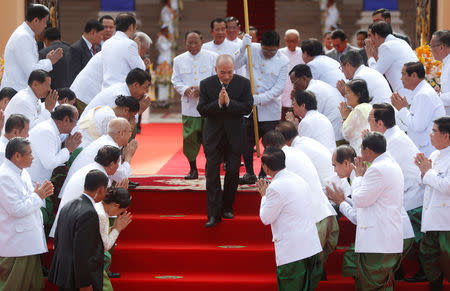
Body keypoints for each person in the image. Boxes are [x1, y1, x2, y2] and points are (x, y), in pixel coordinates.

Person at [326, 143, 415, 285]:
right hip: (396, 231)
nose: (335, 171)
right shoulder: (359, 174)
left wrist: (341, 202)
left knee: (356, 264)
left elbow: (357, 216)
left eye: (334, 165)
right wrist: (343, 200)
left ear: (346, 163)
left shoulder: (360, 176)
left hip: (390, 233)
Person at [261, 131, 338, 276]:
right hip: (327, 215)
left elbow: (268, 214)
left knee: (302, 279)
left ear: (269, 148)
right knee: (314, 276)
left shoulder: (282, 163)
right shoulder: (297, 152)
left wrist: (264, 196)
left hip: (313, 223)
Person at [368, 103, 426, 281]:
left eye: (369, 120)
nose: (368, 124)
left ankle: (422, 271)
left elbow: (383, 171)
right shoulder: (391, 137)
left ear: (379, 124)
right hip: (407, 192)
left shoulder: (392, 141)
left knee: (415, 239)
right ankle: (396, 270)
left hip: (413, 195)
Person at [197, 54, 253, 227]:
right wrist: (219, 104)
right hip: (213, 136)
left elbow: (247, 107)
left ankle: (228, 207)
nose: (227, 76)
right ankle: (213, 214)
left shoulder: (243, 83)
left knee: (233, 172)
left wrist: (229, 103)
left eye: (230, 72)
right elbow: (202, 109)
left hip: (235, 135)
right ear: (216, 70)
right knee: (212, 173)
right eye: (223, 72)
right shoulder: (206, 84)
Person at [256, 147, 323, 290]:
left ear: (265, 168)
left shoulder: (275, 188)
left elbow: (266, 218)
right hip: (310, 247)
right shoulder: (298, 178)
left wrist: (264, 196)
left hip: (293, 254)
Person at [350, 132, 404, 290]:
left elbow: (360, 199)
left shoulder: (377, 169)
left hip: (377, 240)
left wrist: (358, 177)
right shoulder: (390, 164)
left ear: (367, 150)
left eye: (361, 148)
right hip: (384, 238)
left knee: (371, 285)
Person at [235, 30, 289, 184]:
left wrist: (257, 99)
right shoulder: (252, 49)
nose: (268, 53)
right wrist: (242, 47)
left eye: (272, 50)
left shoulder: (283, 60)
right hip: (249, 108)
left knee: (270, 143)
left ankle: (264, 173)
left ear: (278, 46)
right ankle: (249, 173)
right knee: (246, 142)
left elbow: (279, 88)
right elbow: (235, 63)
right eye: (265, 50)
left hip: (269, 108)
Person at [0, 137, 54, 290]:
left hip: (27, 240)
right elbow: (16, 209)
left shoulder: (21, 172)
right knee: (13, 285)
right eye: (29, 154)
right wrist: (39, 196)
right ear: (17, 156)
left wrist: (39, 194)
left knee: (33, 285)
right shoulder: (4, 176)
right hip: (16, 243)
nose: (33, 157)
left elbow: (30, 198)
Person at [48, 169, 108, 291]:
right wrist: (85, 284)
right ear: (101, 189)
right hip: (77, 280)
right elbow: (84, 251)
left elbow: (58, 240)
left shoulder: (68, 205)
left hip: (65, 273)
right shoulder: (89, 213)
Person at [51, 145, 125, 237]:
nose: (118, 166)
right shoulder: (100, 176)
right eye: (118, 163)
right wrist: (120, 194)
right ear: (111, 165)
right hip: (76, 230)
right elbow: (106, 209)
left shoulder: (92, 168)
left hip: (67, 226)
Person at [172, 31, 218, 180]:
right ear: (185, 43)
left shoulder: (212, 57)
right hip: (189, 107)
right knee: (190, 139)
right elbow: (176, 80)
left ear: (202, 41)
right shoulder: (178, 60)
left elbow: (217, 79)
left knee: (210, 140)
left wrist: (202, 90)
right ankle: (193, 169)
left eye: (195, 42)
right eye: (189, 43)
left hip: (208, 107)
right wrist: (185, 89)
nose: (192, 46)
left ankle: (209, 168)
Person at [415, 116, 450, 290]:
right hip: (431, 219)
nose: (430, 135)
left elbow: (447, 186)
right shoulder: (435, 154)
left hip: (446, 221)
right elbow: (426, 182)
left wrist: (427, 172)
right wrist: (423, 173)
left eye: (434, 131)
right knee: (428, 257)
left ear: (446, 136)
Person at [1, 4, 63, 91]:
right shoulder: (23, 37)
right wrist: (49, 62)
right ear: (36, 20)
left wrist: (47, 60)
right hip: (16, 91)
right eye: (45, 22)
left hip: (18, 90)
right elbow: (32, 72)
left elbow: (31, 65)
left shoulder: (26, 34)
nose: (46, 26)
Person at [392, 62, 445, 156]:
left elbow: (417, 126)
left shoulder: (423, 94)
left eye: (403, 74)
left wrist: (402, 109)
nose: (401, 78)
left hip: (428, 151)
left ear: (414, 75)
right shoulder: (422, 91)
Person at [65, 118, 136, 189]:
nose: (130, 135)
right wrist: (128, 157)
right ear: (121, 133)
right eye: (130, 131)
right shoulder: (110, 147)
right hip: (81, 193)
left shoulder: (105, 141)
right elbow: (121, 177)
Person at [288, 64, 343, 144]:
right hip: (337, 131)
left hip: (334, 136)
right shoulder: (317, 84)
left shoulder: (312, 91)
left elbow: (307, 116)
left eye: (294, 83)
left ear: (304, 78)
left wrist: (295, 100)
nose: (293, 87)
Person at [28, 104, 81, 183]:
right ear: (66, 120)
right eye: (75, 122)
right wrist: (68, 149)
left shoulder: (52, 130)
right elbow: (50, 163)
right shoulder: (47, 131)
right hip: (30, 182)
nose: (75, 126)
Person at [275, 120, 337, 186]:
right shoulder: (305, 140)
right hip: (333, 181)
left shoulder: (296, 150)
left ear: (282, 140)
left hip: (329, 187)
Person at [365, 21, 418, 98]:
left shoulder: (387, 46)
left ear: (376, 35)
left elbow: (376, 74)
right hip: (413, 90)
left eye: (370, 36)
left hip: (405, 95)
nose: (369, 40)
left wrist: (370, 56)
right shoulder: (401, 42)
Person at [95, 187, 132, 291]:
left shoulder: (98, 206)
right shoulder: (101, 215)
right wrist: (117, 229)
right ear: (116, 205)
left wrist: (113, 228)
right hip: (89, 262)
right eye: (121, 212)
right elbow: (104, 246)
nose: (118, 215)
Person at [82, 68, 151, 119]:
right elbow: (120, 124)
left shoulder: (122, 88)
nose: (145, 92)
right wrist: (139, 110)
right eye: (145, 87)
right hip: (87, 132)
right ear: (135, 85)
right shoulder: (119, 94)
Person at [101, 13, 145, 89]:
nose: (135, 31)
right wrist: (138, 49)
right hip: (121, 92)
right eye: (135, 28)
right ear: (131, 27)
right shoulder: (130, 44)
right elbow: (140, 70)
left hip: (106, 89)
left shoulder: (106, 43)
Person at [339, 79, 372, 154]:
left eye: (348, 92)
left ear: (358, 94)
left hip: (362, 153)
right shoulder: (368, 106)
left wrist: (344, 117)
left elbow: (347, 135)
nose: (345, 96)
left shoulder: (359, 109)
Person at [279, 29, 304, 120]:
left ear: (298, 40)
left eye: (294, 41)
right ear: (285, 40)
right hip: (283, 92)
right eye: (289, 41)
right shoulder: (280, 53)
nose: (291, 43)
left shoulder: (302, 53)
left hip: (298, 91)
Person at [69, 19, 104, 84]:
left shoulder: (98, 48)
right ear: (93, 32)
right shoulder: (76, 49)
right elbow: (75, 75)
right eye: (101, 35)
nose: (102, 38)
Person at [430, 30, 450, 115]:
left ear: (441, 47)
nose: (430, 50)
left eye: (431, 47)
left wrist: (436, 97)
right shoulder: (446, 62)